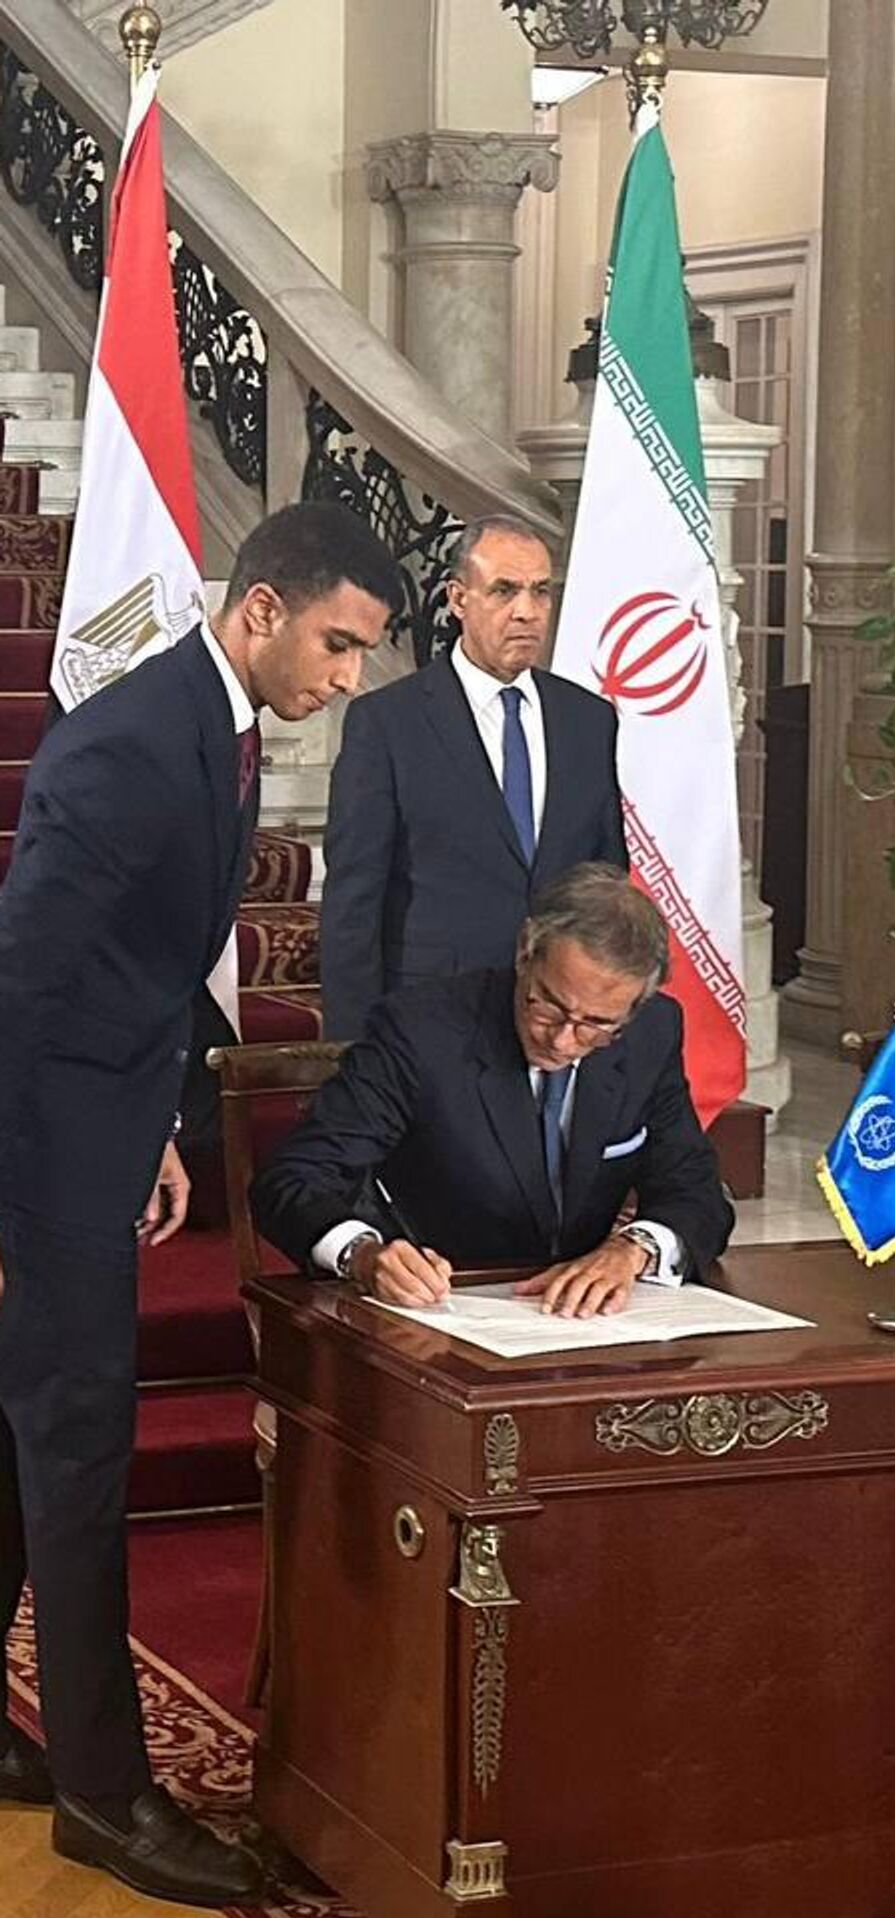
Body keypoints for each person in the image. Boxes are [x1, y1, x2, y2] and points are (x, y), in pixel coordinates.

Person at [0, 502, 404, 1905]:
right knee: (77, 1450)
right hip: (43, 1152)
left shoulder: (216, 728)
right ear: (262, 609)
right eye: (337, 643)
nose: (346, 677)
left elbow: (157, 963)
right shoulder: (129, 744)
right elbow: (28, 977)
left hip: (105, 1125)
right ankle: (103, 1794)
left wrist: (167, 1124)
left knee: (23, 1438)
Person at [255, 864, 733, 1312]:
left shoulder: (652, 1032)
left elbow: (697, 1191)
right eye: (548, 1007)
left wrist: (634, 1249)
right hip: (442, 1300)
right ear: (526, 952)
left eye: (596, 1025)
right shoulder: (422, 1030)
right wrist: (362, 1254)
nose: (563, 1040)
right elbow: (294, 1179)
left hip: (580, 1317)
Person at [320, 513, 627, 1040]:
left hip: (563, 1021)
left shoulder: (588, 719)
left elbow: (606, 877)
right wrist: (353, 1047)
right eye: (504, 590)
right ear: (458, 599)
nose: (526, 611)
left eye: (540, 591)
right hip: (433, 1020)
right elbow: (354, 903)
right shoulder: (388, 722)